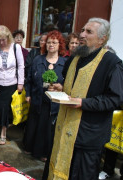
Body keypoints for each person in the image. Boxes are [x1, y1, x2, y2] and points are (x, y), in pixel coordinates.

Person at [45, 17, 123, 180]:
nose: (82, 35)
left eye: (88, 32)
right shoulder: (75, 58)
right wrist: (61, 88)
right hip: (64, 126)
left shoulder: (112, 63)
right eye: (82, 30)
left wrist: (83, 103)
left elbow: (115, 99)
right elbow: (69, 84)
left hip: (87, 135)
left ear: (102, 38)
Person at [23, 30, 66, 162]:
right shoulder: (38, 60)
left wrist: (60, 86)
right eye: (48, 42)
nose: (51, 45)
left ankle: (43, 153)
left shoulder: (64, 63)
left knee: (47, 128)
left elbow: (67, 84)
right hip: (37, 98)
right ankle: (29, 147)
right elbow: (29, 78)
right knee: (34, 125)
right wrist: (28, 94)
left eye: (54, 42)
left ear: (60, 45)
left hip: (53, 103)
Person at [0, 25, 24, 145]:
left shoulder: (16, 47)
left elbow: (21, 66)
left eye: (3, 39)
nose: (1, 42)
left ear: (8, 37)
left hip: (10, 84)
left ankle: (4, 133)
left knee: (6, 110)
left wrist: (20, 83)